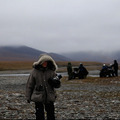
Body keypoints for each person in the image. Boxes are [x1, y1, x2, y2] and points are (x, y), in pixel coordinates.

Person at [26, 54, 61, 120]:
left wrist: (56, 83)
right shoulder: (34, 72)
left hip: (49, 96)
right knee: (39, 114)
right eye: (44, 62)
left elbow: (58, 85)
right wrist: (28, 96)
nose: (45, 63)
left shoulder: (52, 71)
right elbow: (30, 85)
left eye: (47, 62)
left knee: (51, 114)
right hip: (38, 96)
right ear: (40, 62)